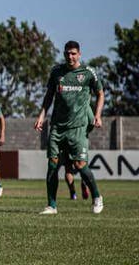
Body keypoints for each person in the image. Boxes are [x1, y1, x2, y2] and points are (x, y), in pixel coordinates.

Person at [34, 40, 104, 214]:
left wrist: (97, 115)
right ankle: (51, 205)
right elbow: (49, 95)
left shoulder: (88, 73)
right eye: (67, 53)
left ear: (79, 54)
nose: (70, 56)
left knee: (80, 164)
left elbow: (100, 93)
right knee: (52, 164)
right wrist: (41, 116)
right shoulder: (57, 72)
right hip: (57, 126)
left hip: (78, 127)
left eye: (73, 53)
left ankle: (97, 196)